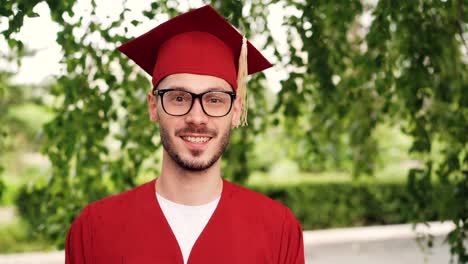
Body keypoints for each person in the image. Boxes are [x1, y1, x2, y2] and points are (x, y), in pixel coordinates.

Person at [65, 5, 305, 264]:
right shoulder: (94, 229)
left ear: (236, 111)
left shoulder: (278, 230)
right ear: (153, 107)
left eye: (215, 99)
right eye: (179, 98)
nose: (197, 118)